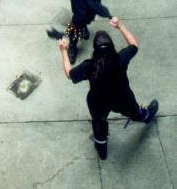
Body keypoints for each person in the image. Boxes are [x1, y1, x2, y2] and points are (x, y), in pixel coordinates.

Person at [58, 17, 159, 160]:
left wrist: (63, 51)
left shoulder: (89, 65)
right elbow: (134, 45)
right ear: (112, 46)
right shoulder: (120, 59)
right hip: (122, 97)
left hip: (98, 101)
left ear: (95, 49)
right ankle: (146, 116)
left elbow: (69, 74)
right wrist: (120, 26)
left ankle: (101, 147)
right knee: (134, 110)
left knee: (99, 122)